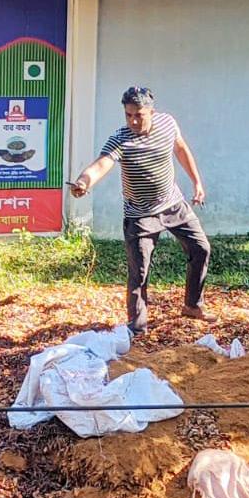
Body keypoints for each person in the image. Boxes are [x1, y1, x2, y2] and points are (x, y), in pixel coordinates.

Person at [70, 86, 211, 334]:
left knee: (201, 249)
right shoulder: (120, 139)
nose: (133, 120)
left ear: (152, 112)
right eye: (128, 115)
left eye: (139, 115)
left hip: (173, 204)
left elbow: (180, 148)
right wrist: (84, 181)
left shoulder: (167, 124)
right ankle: (137, 325)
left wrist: (197, 181)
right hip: (140, 215)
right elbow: (102, 163)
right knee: (140, 271)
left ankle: (192, 305)